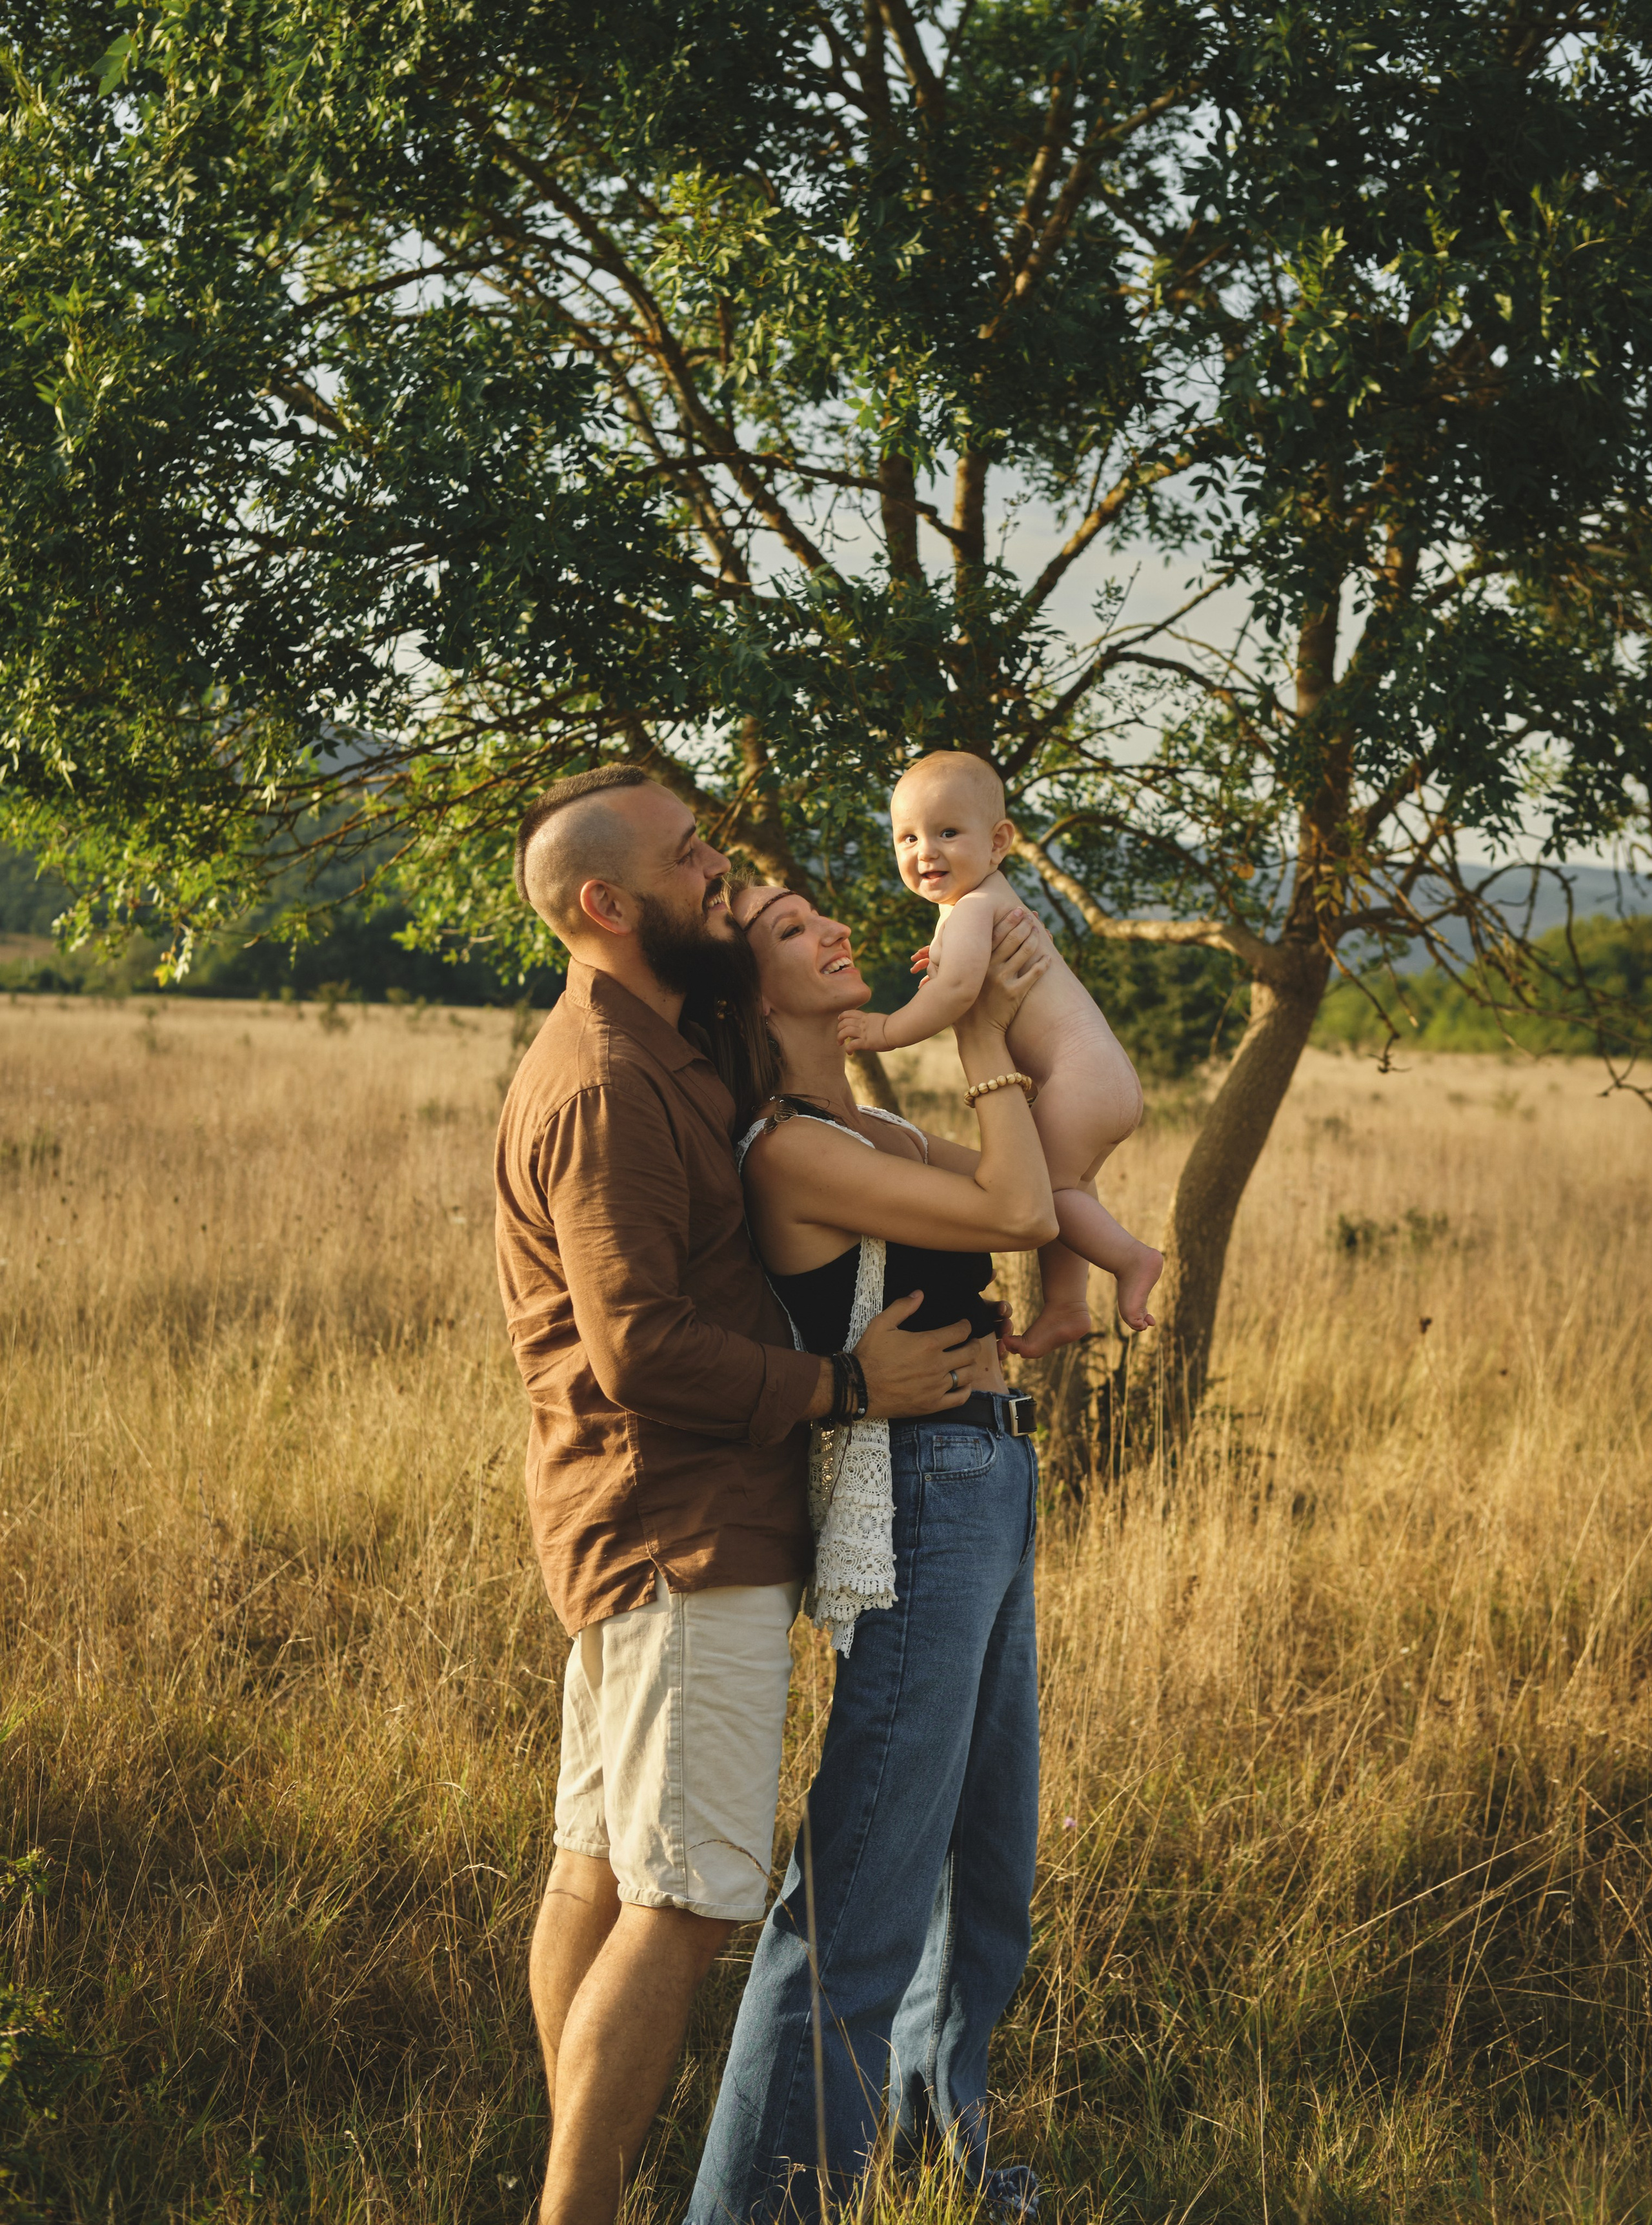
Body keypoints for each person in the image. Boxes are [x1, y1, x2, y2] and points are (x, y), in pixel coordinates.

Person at [494, 765, 1034, 2225]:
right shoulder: (605, 1078)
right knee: (687, 1897)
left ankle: (580, 2177)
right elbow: (637, 1344)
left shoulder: (659, 1044)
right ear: (609, 904)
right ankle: (579, 2203)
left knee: (603, 1870)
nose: (716, 881)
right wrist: (846, 1388)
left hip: (639, 1528)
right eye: (691, 864)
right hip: (679, 1529)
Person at [683, 877, 1059, 2225]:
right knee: (865, 1880)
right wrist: (973, 1028)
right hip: (914, 1491)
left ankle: (939, 2153)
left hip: (991, 1467)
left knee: (984, 1853)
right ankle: (761, 2209)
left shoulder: (877, 1123)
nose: (834, 929)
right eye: (791, 931)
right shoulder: (787, 1145)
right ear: (749, 996)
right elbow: (1018, 1208)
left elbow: (1053, 1195)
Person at [836, 749, 1162, 1355]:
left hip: (1079, 1080)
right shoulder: (983, 905)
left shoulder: (974, 908)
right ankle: (1066, 1306)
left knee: (1046, 1195)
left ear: (999, 841)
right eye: (907, 837)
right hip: (1099, 1077)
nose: (925, 851)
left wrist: (885, 1028)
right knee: (1068, 1190)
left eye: (947, 832)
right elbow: (959, 977)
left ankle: (1132, 1257)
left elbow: (959, 993)